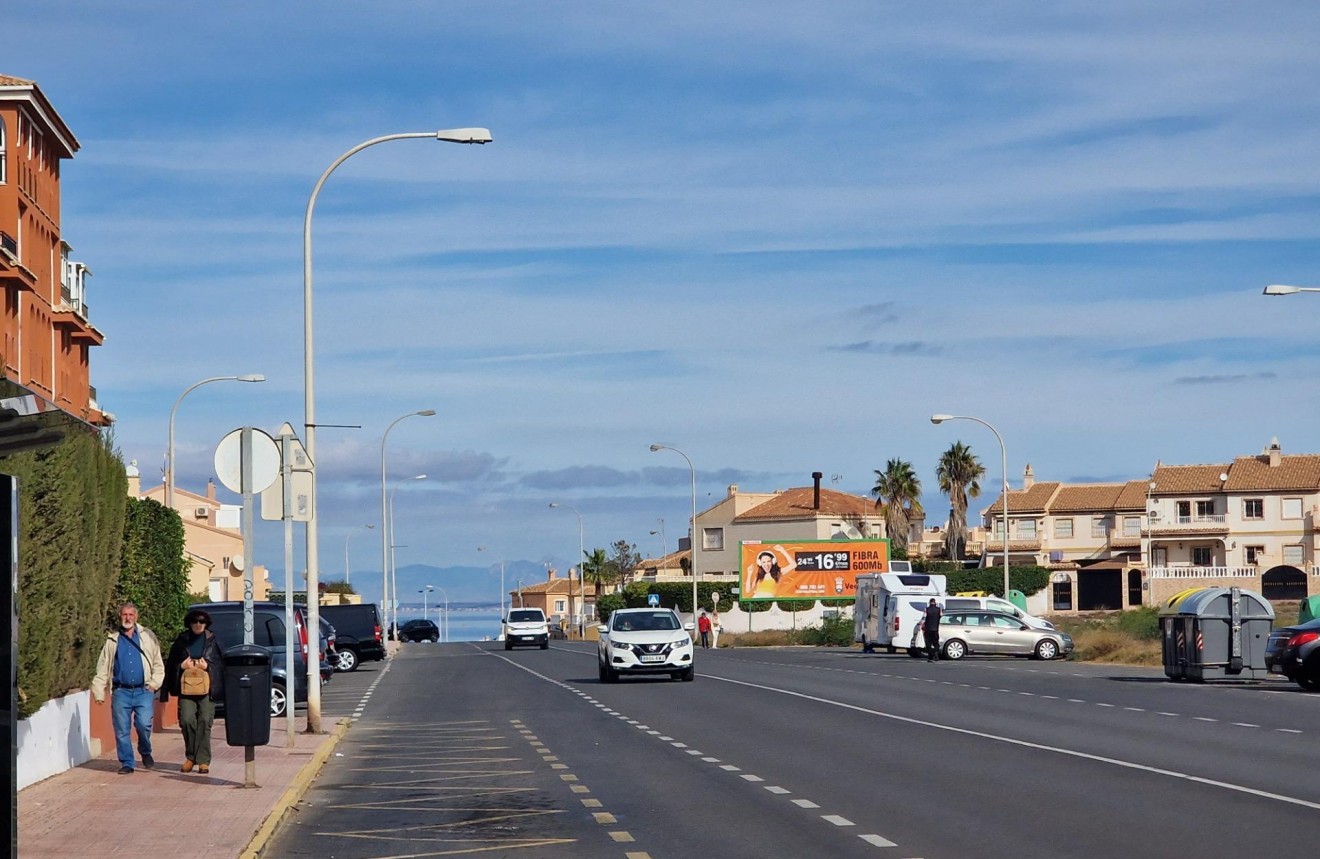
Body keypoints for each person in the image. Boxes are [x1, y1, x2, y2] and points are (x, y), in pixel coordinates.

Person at [91, 603, 166, 774]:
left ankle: (145, 751)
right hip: (121, 692)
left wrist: (154, 684)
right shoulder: (113, 640)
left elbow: (158, 664)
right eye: (124, 615)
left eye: (131, 615)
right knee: (121, 729)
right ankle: (127, 762)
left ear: (136, 617)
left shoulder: (147, 637)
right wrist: (98, 691)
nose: (128, 618)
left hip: (143, 690)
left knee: (144, 724)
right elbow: (103, 667)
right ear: (120, 616)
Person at [164, 608, 226, 774]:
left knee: (205, 720)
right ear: (189, 623)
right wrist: (182, 666)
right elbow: (171, 664)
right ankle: (191, 756)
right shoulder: (182, 640)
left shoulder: (214, 641)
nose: (198, 625)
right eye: (195, 621)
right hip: (187, 688)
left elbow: (221, 665)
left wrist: (208, 667)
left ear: (206, 624)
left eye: (202, 621)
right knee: (186, 720)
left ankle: (203, 760)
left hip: (206, 688)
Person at [921, 598, 943, 663]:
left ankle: (930, 656)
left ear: (929, 602)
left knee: (928, 643)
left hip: (928, 629)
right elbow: (941, 616)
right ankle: (936, 654)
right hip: (936, 629)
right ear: (935, 602)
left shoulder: (926, 609)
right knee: (936, 643)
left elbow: (924, 618)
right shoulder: (939, 609)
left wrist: (921, 624)